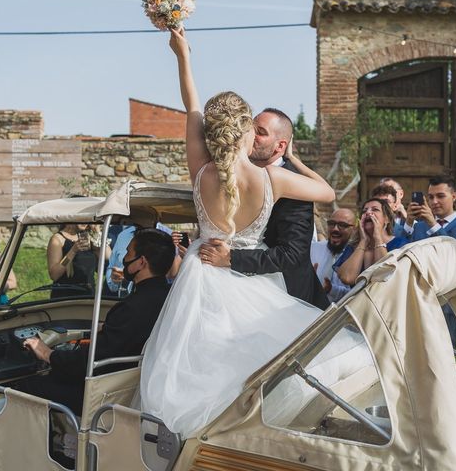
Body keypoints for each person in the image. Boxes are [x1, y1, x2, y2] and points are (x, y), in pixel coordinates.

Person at [140, 28, 335, 439]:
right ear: (247, 131)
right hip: (251, 281)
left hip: (200, 275)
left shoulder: (200, 170)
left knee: (197, 369)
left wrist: (183, 55)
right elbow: (328, 192)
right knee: (254, 367)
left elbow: (191, 103)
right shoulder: (272, 180)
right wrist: (292, 155)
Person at [21, 228, 174, 414]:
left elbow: (92, 360)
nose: (124, 258)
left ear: (141, 262)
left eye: (128, 253)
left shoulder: (132, 307)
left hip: (106, 394)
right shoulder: (168, 298)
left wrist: (48, 354)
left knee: (27, 386)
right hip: (136, 387)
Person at [200, 108, 330, 309]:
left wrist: (232, 257)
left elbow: (291, 254)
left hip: (286, 300)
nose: (252, 135)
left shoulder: (294, 186)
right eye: (251, 129)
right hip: (231, 289)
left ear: (280, 146)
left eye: (261, 132)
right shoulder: (232, 173)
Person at [403, 174, 456, 346]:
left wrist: (433, 225)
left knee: (445, 350)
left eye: (440, 196)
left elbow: (454, 256)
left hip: (449, 300)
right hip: (417, 296)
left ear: (454, 196)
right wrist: (408, 223)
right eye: (430, 197)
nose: (434, 201)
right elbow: (399, 251)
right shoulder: (419, 226)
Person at [335, 199, 408, 286]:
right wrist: (363, 241)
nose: (368, 213)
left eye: (375, 209)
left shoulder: (400, 244)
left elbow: (384, 276)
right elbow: (347, 278)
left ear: (387, 219)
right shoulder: (353, 246)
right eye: (364, 211)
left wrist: (377, 237)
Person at [47, 224, 109, 299]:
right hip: (65, 297)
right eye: (82, 217)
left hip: (88, 296)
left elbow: (107, 256)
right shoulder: (58, 239)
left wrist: (97, 231)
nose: (85, 222)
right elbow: (54, 274)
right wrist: (73, 251)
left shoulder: (89, 236)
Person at [310, 208, 355, 302]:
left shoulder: (356, 256)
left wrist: (331, 289)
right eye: (331, 224)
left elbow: (356, 295)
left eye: (342, 225)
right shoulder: (313, 249)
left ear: (354, 229)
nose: (335, 229)